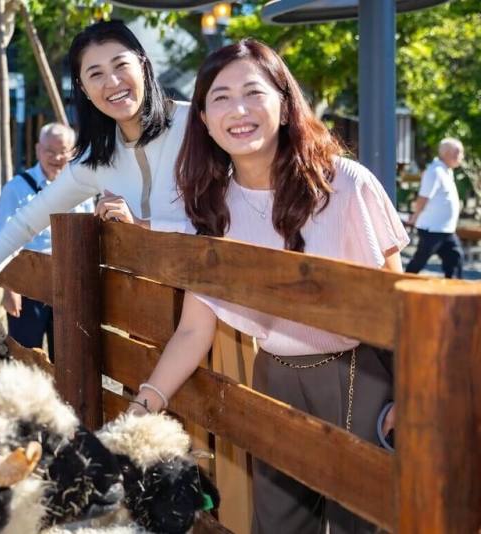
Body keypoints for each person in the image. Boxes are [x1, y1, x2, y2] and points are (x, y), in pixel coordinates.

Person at [128, 40, 408, 534]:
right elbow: (195, 329)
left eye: (253, 93)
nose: (238, 110)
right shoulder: (211, 204)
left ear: (283, 102)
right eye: (220, 97)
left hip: (358, 379)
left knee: (363, 525)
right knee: (278, 526)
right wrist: (143, 404)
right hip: (273, 378)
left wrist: (410, 401)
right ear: (204, 119)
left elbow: (399, 302)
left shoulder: (345, 184)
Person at [0, 20, 190, 334]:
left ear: (143, 63)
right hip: (147, 320)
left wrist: (141, 227)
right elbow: (25, 223)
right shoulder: (95, 159)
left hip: (219, 310)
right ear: (82, 87)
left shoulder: (196, 125)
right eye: (95, 73)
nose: (112, 82)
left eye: (121, 64)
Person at [0, 123, 95, 360]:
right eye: (50, 151)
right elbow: (2, 240)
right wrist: (9, 289)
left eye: (63, 151)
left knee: (68, 357)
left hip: (70, 283)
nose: (57, 157)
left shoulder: (82, 188)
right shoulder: (16, 188)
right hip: (27, 284)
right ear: (38, 149)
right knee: (25, 356)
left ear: (73, 152)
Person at [404, 138, 464, 278]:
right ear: (447, 153)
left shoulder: (446, 171)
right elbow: (423, 198)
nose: (461, 156)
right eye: (458, 152)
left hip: (446, 230)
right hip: (432, 230)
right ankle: (399, 287)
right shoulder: (434, 171)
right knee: (419, 262)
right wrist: (415, 217)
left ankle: (454, 293)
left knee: (456, 259)